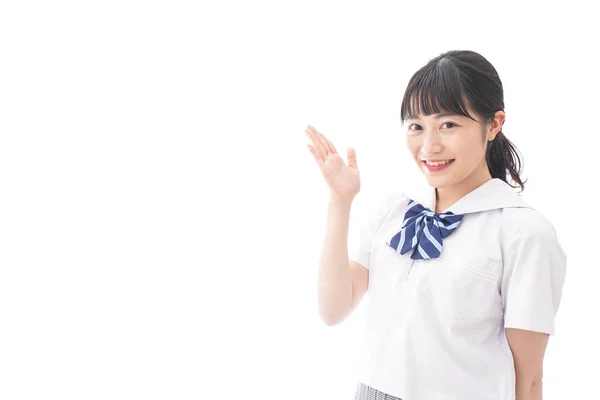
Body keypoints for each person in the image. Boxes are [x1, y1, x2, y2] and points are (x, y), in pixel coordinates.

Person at [305, 50, 567, 400]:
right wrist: (340, 201)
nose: (429, 146)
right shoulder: (394, 210)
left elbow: (529, 380)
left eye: (449, 124)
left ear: (493, 124)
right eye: (416, 126)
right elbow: (333, 310)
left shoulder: (523, 233)